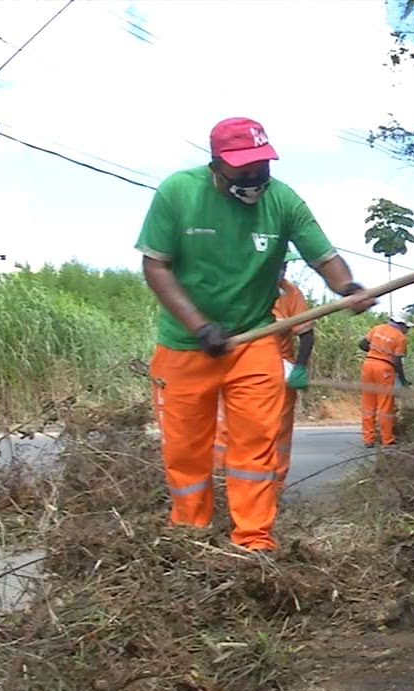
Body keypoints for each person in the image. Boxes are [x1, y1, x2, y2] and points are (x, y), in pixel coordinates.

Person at [138, 117, 374, 552]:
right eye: (243, 168)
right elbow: (155, 266)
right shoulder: (178, 192)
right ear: (216, 164)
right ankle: (191, 536)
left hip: (254, 339)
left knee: (256, 446)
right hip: (185, 345)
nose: (254, 176)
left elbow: (323, 257)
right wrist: (199, 326)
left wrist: (347, 288)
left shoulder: (282, 200)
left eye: (261, 165)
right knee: (186, 451)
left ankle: (253, 540)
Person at [213, 249, 315, 490]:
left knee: (278, 432)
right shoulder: (239, 287)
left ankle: (273, 488)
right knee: (229, 428)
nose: (283, 270)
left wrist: (299, 368)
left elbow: (306, 334)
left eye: (285, 266)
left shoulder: (290, 293)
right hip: (241, 366)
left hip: (280, 369)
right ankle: (220, 483)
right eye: (278, 265)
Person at [358, 312, 414, 448]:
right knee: (385, 405)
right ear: (402, 325)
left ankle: (368, 439)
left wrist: (375, 352)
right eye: (407, 327)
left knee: (368, 404)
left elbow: (362, 344)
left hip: (368, 365)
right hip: (384, 369)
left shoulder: (377, 328)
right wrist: (403, 380)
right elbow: (397, 361)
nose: (407, 330)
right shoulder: (400, 337)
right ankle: (387, 440)